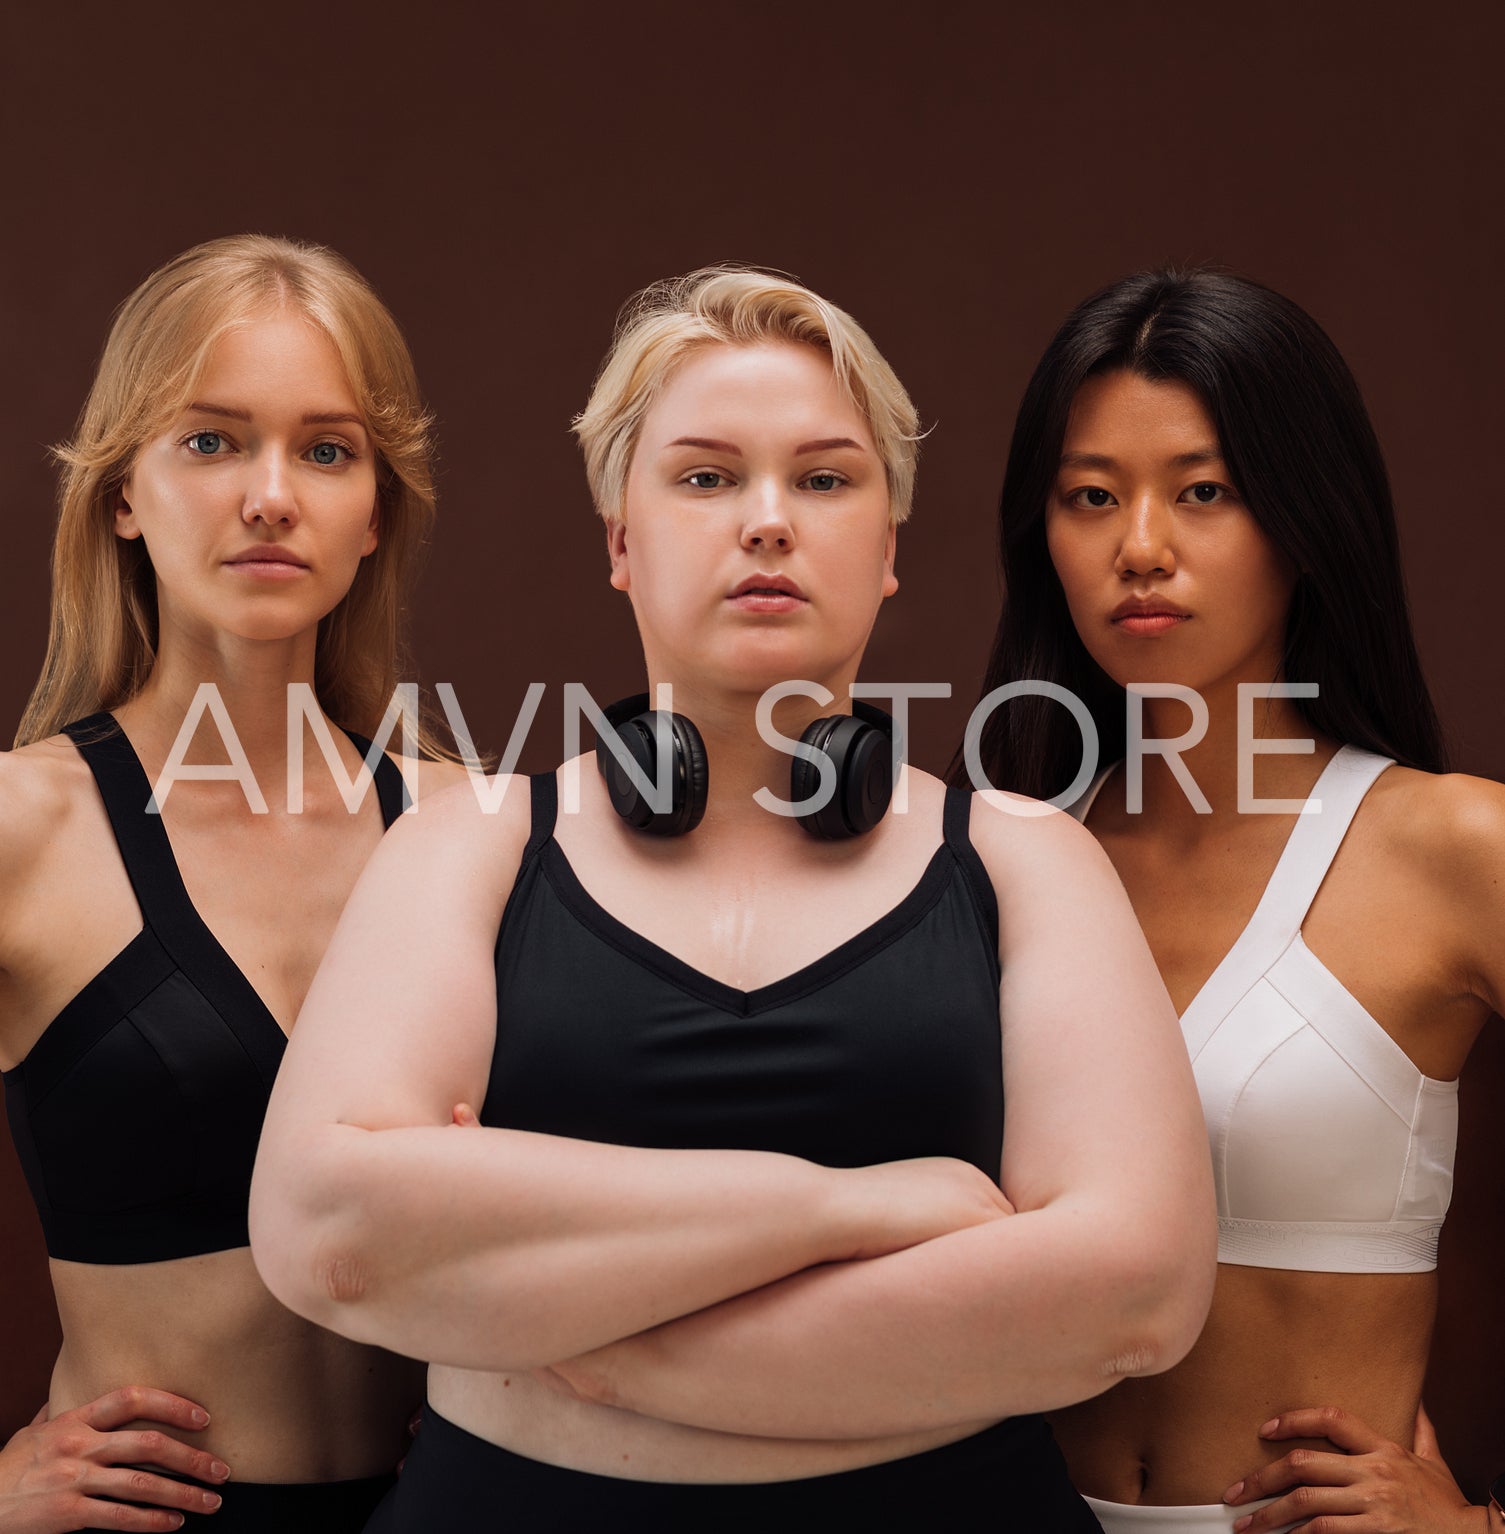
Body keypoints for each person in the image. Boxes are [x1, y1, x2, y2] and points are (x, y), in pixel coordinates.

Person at [249, 266, 1215, 1532]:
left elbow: (1131, 1290)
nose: (766, 521)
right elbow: (327, 1225)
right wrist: (846, 1203)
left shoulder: (1021, 858)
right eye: (704, 477)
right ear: (619, 543)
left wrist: (587, 1343)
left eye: (822, 479)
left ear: (884, 552)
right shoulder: (468, 844)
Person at [964, 268, 1505, 1533]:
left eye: (1201, 492)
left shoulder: (1449, 844)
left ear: (1303, 517)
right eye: (1088, 497)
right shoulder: (992, 852)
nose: (1138, 545)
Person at [0, 234, 464, 1532]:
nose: (271, 495)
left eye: (326, 450)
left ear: (375, 514)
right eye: (211, 442)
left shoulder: (467, 828)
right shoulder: (23, 826)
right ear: (123, 497)